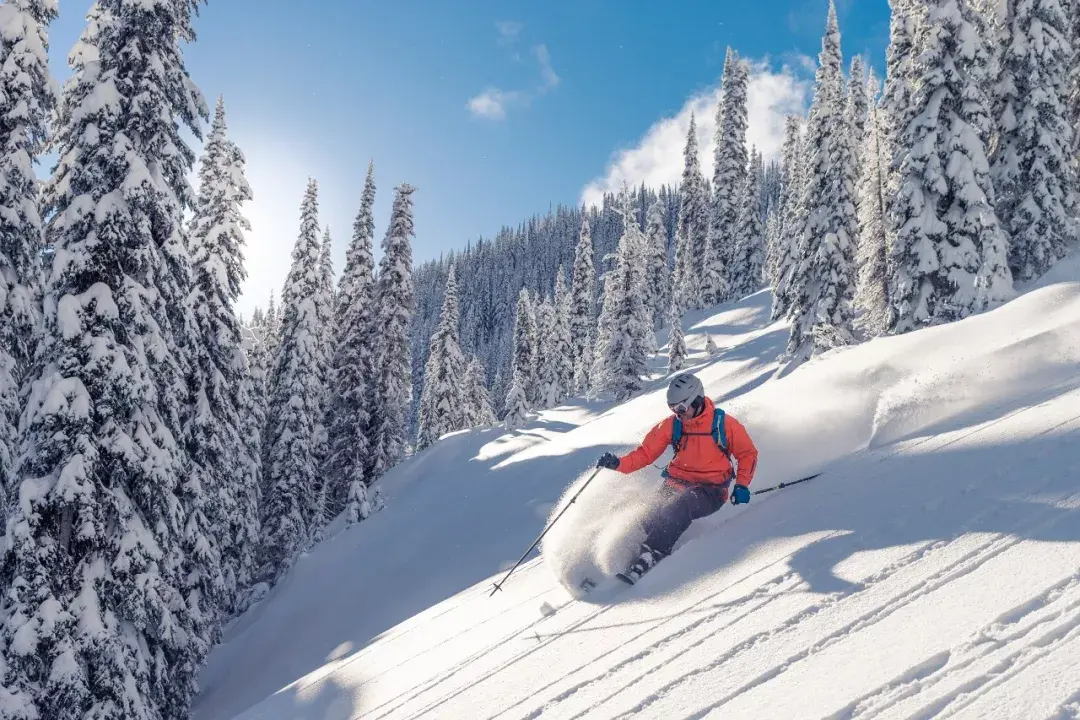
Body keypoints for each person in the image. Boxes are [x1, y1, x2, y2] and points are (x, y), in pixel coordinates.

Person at [595, 372, 759, 584]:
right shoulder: (673, 425)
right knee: (646, 509)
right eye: (673, 409)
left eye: (681, 408)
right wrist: (618, 464)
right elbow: (645, 453)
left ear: (697, 400)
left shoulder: (723, 424)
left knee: (681, 504)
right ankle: (626, 553)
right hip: (676, 482)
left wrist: (742, 485)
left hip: (711, 490)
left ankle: (653, 552)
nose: (678, 414)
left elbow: (748, 454)